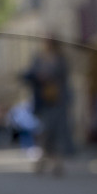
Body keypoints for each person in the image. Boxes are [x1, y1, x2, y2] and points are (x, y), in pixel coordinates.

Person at [24, 40, 71, 175]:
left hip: (58, 100)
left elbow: (64, 79)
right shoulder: (38, 59)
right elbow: (30, 75)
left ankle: (56, 162)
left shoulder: (60, 59)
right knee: (46, 131)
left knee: (58, 131)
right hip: (44, 101)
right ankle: (45, 160)